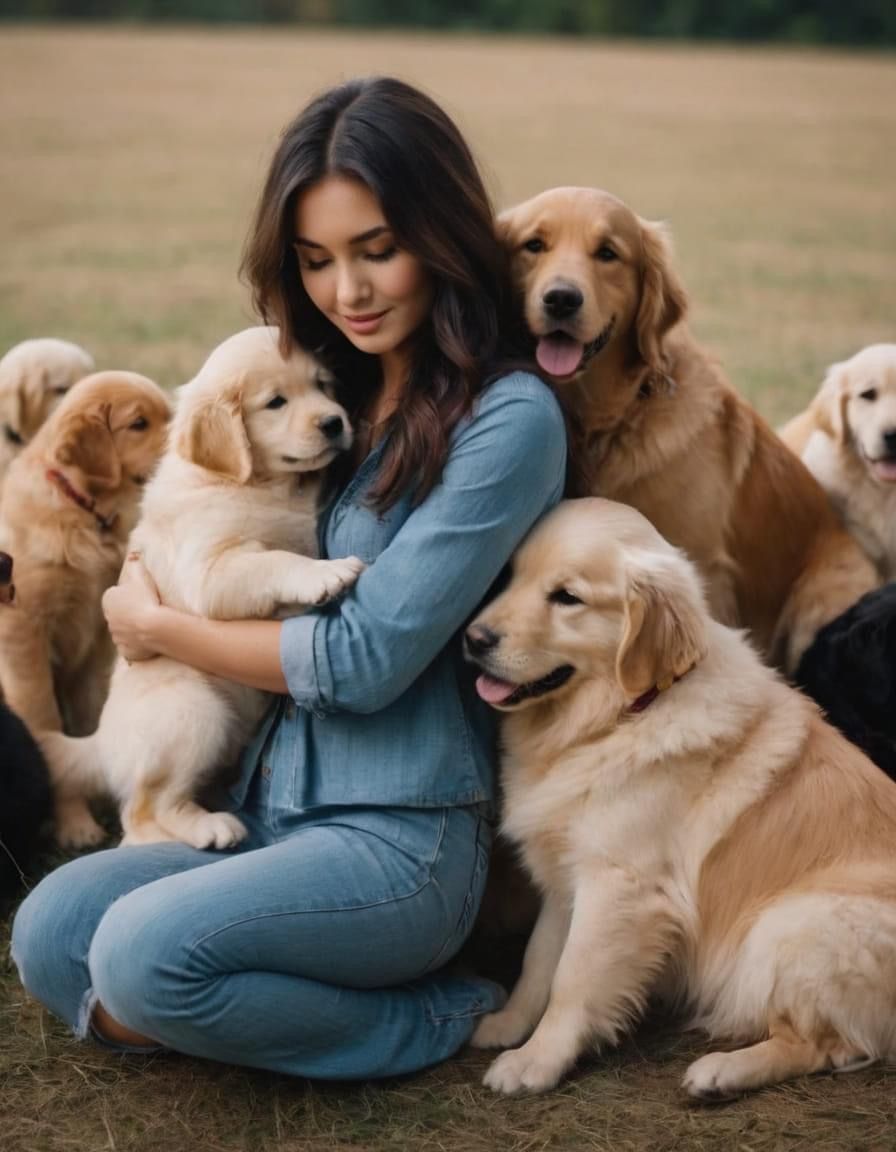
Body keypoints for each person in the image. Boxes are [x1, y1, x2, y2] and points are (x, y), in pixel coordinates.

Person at [12, 76, 567, 1080]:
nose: (345, 292)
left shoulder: (506, 420)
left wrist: (160, 628)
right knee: (50, 932)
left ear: (439, 234)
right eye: (314, 262)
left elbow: (362, 661)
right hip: (263, 809)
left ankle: (433, 1013)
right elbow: (199, 500)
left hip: (398, 841)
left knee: (139, 961)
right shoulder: (319, 379)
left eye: (375, 252)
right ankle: (243, 994)